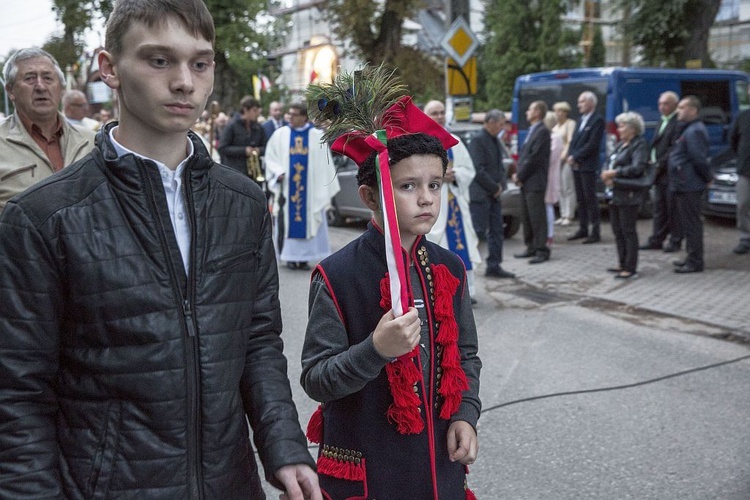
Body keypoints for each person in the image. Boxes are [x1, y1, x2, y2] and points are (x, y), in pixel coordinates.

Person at [0, 1, 321, 498]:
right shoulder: (45, 216)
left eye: (200, 62)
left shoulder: (243, 202)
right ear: (110, 68)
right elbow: (18, 390)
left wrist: (284, 447)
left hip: (228, 483)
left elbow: (257, 340)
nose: (184, 82)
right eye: (158, 60)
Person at [300, 80, 481, 498]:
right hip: (371, 471)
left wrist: (466, 415)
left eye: (434, 184)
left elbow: (466, 355)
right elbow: (316, 379)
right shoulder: (336, 275)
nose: (426, 199)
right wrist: (375, 350)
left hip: (439, 467)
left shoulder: (448, 267)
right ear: (369, 195)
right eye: (407, 186)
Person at [0, 48, 95, 212]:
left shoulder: (92, 141)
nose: (40, 86)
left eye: (48, 78)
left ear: (61, 88)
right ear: (10, 91)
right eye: (29, 78)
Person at [265, 101, 340, 270]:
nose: (290, 117)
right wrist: (278, 172)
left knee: (309, 218)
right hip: (287, 188)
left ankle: (306, 257)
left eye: (294, 114)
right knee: (288, 220)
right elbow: (271, 157)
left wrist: (321, 186)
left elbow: (324, 165)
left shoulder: (316, 136)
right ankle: (290, 257)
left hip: (311, 193)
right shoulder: (280, 134)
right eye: (289, 114)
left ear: (304, 117)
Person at [424, 100, 482, 303]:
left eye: (441, 112)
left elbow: (469, 170)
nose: (439, 116)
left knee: (460, 245)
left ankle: (467, 290)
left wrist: (455, 174)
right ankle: (439, 291)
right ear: (426, 116)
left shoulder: (454, 141)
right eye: (434, 113)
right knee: (434, 248)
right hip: (430, 202)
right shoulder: (419, 142)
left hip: (453, 203)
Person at [600, 112, 649, 279]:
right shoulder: (621, 144)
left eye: (622, 126)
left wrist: (614, 173)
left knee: (628, 230)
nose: (619, 129)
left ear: (633, 129)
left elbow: (637, 168)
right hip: (614, 192)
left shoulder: (639, 145)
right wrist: (606, 173)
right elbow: (610, 161)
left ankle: (630, 267)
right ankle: (621, 262)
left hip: (628, 193)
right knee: (617, 230)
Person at [468, 109, 515, 278]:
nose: (503, 128)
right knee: (478, 232)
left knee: (497, 231)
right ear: (490, 123)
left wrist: (500, 185)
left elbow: (499, 165)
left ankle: (494, 265)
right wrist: (494, 187)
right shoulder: (478, 140)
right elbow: (478, 169)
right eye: (501, 124)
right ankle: (468, 268)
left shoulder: (495, 140)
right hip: (481, 195)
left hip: (494, 194)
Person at [670, 96, 712, 274]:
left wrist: (707, 177)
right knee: (687, 224)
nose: (678, 111)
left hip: (690, 184)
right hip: (683, 183)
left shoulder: (694, 131)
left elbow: (698, 158)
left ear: (693, 110)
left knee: (692, 224)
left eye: (682, 108)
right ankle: (691, 256)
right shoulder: (688, 129)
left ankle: (695, 261)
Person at [640, 91, 683, 253]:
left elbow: (673, 148)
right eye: (660, 104)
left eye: (665, 104)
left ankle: (675, 240)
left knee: (673, 208)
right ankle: (657, 238)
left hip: (668, 171)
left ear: (674, 105)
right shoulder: (662, 121)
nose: (662, 107)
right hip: (657, 171)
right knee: (659, 208)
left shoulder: (677, 122)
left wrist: (660, 164)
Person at [513, 100, 551, 264]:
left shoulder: (542, 131)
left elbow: (534, 158)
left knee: (537, 217)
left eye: (530, 109)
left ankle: (541, 249)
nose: (527, 112)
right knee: (527, 216)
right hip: (526, 181)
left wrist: (520, 175)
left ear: (537, 113)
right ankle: (531, 246)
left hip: (534, 181)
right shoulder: (532, 130)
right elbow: (524, 156)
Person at [567, 91, 605, 244]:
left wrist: (576, 157)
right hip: (576, 165)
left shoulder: (597, 120)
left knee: (590, 198)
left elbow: (592, 144)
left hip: (587, 165)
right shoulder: (580, 120)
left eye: (582, 101)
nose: (579, 105)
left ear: (591, 103)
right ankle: (583, 228)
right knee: (580, 199)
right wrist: (571, 155)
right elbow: (574, 141)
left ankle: (595, 231)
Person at [218, 96, 267, 180]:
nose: (257, 113)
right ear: (245, 110)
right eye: (254, 110)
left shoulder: (258, 127)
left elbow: (266, 147)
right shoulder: (231, 126)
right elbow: (222, 148)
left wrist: (259, 150)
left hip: (253, 175)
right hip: (235, 172)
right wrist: (244, 151)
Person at [729, 88, 750, 255]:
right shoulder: (742, 116)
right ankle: (745, 238)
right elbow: (733, 141)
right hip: (745, 170)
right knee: (742, 205)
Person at [552, 101, 577, 226]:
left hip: (566, 159)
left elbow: (570, 141)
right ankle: (562, 214)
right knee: (560, 187)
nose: (557, 114)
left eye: (559, 111)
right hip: (556, 161)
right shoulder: (555, 127)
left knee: (568, 187)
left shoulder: (570, 124)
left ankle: (569, 214)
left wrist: (563, 157)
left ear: (565, 112)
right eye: (556, 111)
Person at [543, 111, 563, 246]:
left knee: (548, 205)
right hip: (543, 175)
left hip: (549, 176)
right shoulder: (546, 137)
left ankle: (549, 234)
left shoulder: (555, 138)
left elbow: (550, 158)